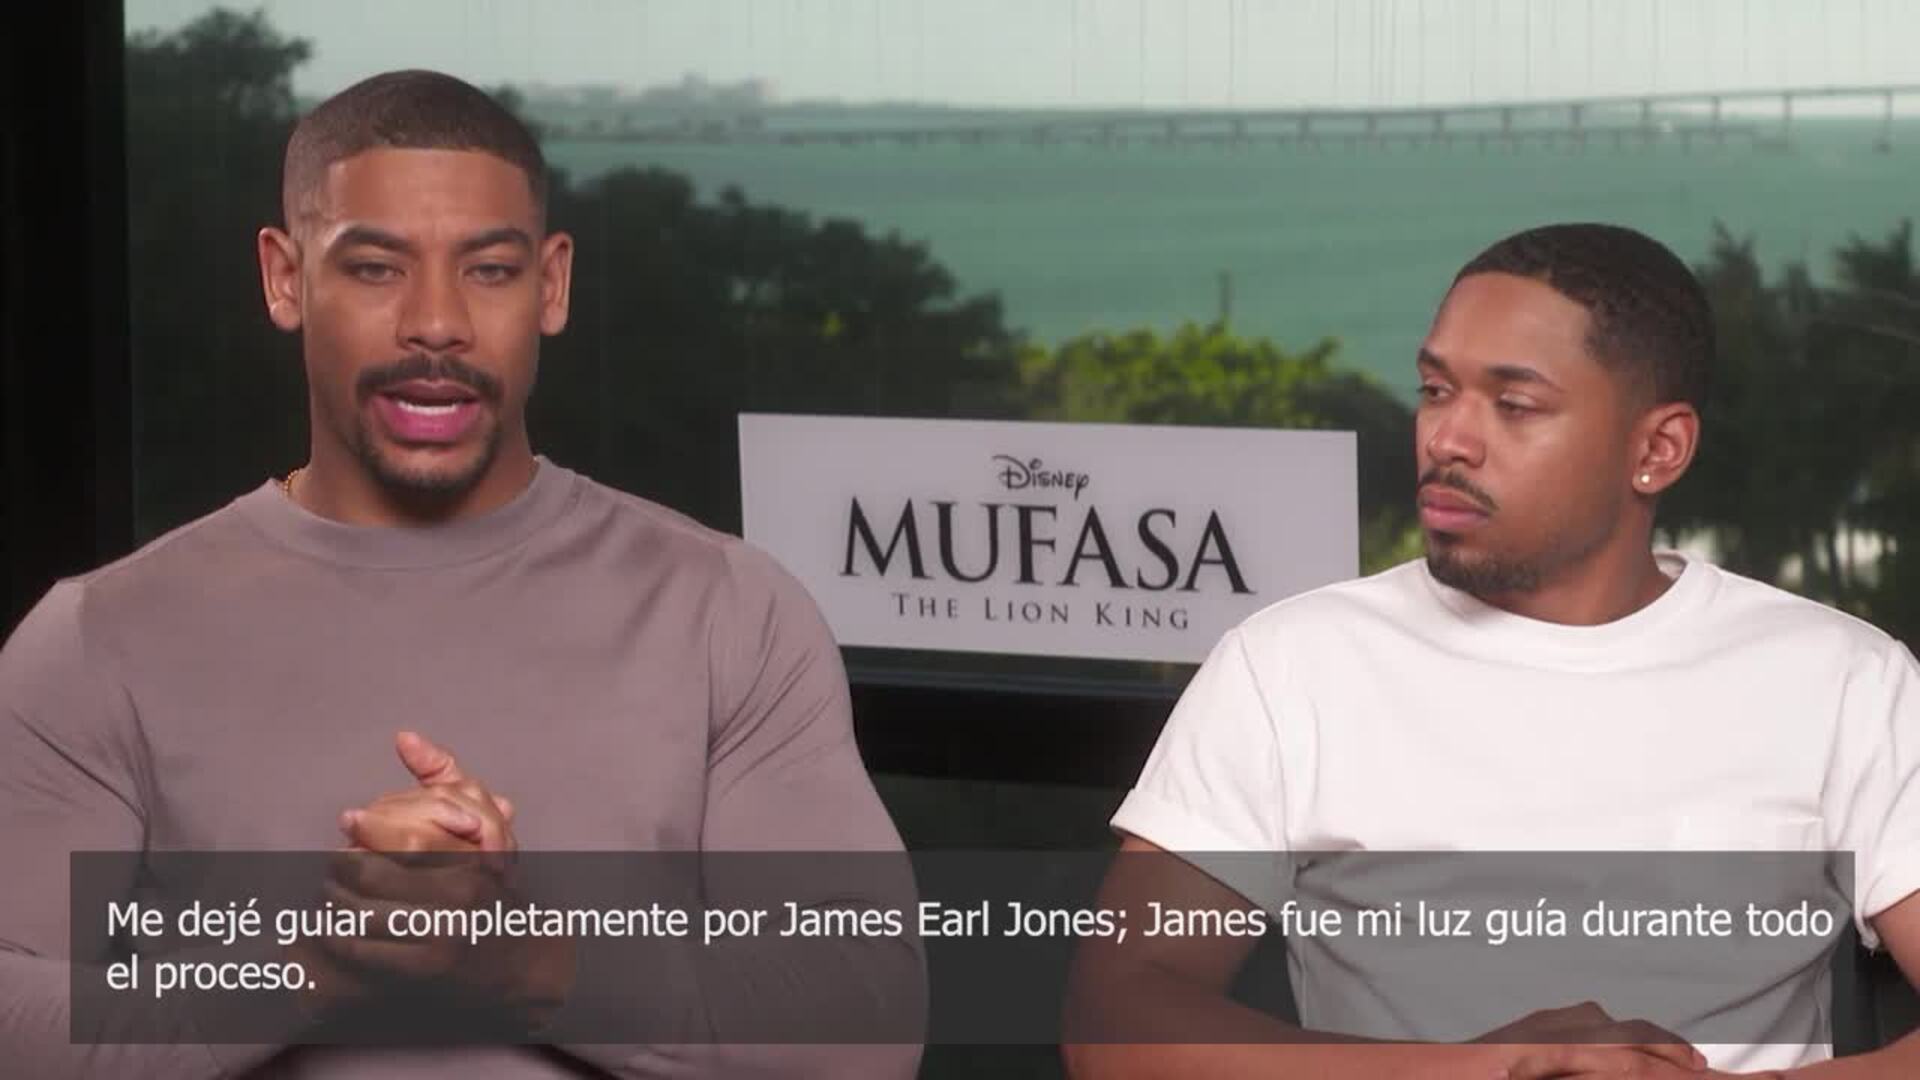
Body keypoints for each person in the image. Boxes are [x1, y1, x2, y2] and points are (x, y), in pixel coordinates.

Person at [0, 70, 921, 1077]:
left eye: (488, 270)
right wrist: (312, 968)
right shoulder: (99, 637)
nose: (436, 323)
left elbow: (865, 1022)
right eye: (374, 268)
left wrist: (531, 970)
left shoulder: (729, 613)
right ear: (283, 278)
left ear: (551, 286)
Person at [1065, 223, 1920, 1078]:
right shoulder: (1292, 666)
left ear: (1657, 450)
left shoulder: (1842, 681)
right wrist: (1476, 1071)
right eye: (1436, 390)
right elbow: (1114, 1021)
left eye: (1514, 405)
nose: (1448, 439)